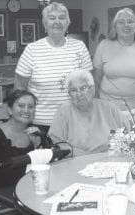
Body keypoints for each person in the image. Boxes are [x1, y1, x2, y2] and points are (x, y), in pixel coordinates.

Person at [14, 2, 93, 133]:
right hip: (40, 124)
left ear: (67, 23)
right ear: (45, 24)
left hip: (76, 120)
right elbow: (19, 89)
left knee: (77, 154)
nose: (57, 22)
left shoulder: (80, 47)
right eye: (52, 18)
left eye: (62, 18)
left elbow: (89, 86)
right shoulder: (32, 50)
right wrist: (23, 122)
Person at [93, 8, 135, 125]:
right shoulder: (104, 46)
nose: (126, 25)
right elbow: (95, 81)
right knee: (109, 143)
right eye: (121, 22)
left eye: (130, 21)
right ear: (114, 27)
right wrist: (93, 109)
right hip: (108, 111)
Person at [49, 69, 126, 156]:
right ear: (69, 94)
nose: (79, 94)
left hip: (109, 160)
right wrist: (85, 157)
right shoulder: (63, 113)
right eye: (74, 90)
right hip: (76, 162)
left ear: (92, 89)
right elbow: (57, 144)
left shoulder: (109, 108)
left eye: (83, 88)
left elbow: (129, 136)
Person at [0, 90, 41, 194]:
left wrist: (38, 145)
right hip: (0, 196)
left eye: (30, 107)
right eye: (21, 106)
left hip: (29, 192)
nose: (26, 110)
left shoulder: (36, 133)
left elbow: (42, 170)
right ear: (9, 110)